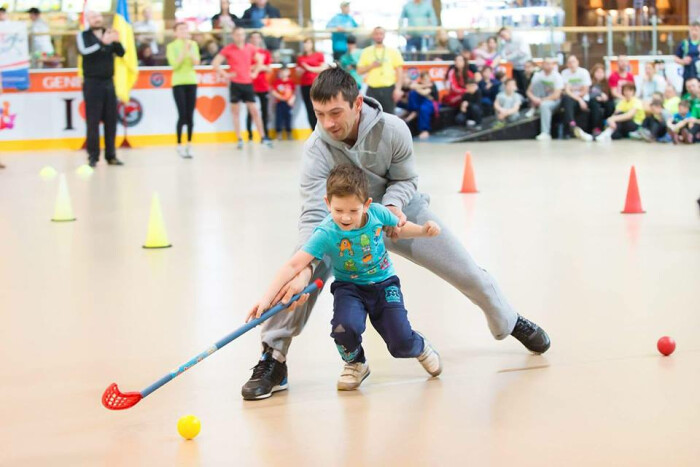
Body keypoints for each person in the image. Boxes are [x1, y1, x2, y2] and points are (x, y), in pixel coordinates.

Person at [240, 67, 550, 401]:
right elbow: (314, 213)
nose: (327, 123)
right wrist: (304, 269)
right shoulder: (316, 149)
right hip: (343, 223)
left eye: (335, 113)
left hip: (397, 213)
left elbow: (406, 179)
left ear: (357, 103)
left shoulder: (393, 129)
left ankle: (509, 318)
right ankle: (273, 357)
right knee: (296, 279)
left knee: (466, 270)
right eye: (319, 114)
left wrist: (392, 207)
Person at [247, 164, 443, 390]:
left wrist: (423, 231)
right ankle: (355, 363)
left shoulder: (378, 213)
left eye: (353, 210)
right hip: (349, 288)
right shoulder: (326, 231)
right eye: (338, 210)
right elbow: (293, 265)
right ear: (327, 203)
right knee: (343, 328)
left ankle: (419, 346)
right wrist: (265, 300)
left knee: (400, 342)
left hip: (384, 283)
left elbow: (398, 227)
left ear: (366, 205)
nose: (346, 218)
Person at [77, 11, 125, 167]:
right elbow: (85, 52)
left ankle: (111, 155)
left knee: (111, 120)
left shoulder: (109, 33)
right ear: (88, 20)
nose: (96, 19)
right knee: (93, 120)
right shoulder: (83, 35)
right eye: (92, 17)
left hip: (108, 83)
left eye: (98, 16)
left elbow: (121, 53)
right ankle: (93, 156)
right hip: (92, 83)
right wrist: (102, 43)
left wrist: (116, 41)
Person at [212, 27, 272, 149]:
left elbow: (260, 60)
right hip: (235, 84)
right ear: (233, 36)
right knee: (236, 112)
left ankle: (262, 137)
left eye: (242, 34)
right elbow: (215, 63)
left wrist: (255, 73)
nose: (240, 37)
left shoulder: (250, 48)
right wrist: (226, 75)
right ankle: (239, 138)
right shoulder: (228, 49)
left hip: (248, 83)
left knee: (254, 110)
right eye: (237, 35)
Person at [167, 22, 200, 159]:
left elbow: (196, 62)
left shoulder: (193, 44)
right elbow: (175, 64)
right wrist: (184, 50)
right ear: (175, 32)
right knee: (182, 114)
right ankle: (179, 143)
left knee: (191, 115)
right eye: (180, 29)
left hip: (191, 81)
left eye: (185, 29)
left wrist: (190, 49)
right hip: (178, 82)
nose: (184, 31)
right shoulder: (172, 46)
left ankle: (189, 144)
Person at [357, 27, 404, 115]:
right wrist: (371, 66)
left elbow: (399, 72)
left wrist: (398, 89)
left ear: (384, 35)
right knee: (371, 116)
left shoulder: (393, 51)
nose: (378, 36)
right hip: (372, 89)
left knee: (390, 117)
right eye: (376, 34)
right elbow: (359, 71)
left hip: (389, 89)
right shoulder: (366, 51)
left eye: (381, 34)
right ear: (373, 36)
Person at [526, 57, 564, 141]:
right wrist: (535, 99)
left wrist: (542, 100)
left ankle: (546, 133)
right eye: (547, 63)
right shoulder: (538, 75)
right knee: (537, 83)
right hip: (539, 98)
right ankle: (533, 108)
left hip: (553, 101)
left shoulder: (557, 76)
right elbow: (529, 91)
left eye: (551, 64)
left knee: (544, 105)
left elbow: (556, 95)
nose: (549, 66)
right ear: (543, 65)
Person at [575, 63, 614, 141]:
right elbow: (588, 93)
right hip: (592, 102)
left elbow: (609, 95)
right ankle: (596, 128)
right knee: (594, 103)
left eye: (601, 72)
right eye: (597, 72)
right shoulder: (590, 82)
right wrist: (599, 95)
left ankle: (608, 125)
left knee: (610, 104)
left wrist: (604, 98)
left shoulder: (606, 83)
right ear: (594, 73)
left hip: (604, 102)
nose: (599, 74)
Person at [246, 31, 272, 142]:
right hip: (250, 85)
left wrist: (259, 67)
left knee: (264, 111)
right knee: (250, 111)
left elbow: (269, 68)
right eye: (253, 37)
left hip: (263, 85)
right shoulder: (247, 52)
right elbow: (246, 67)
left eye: (257, 37)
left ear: (260, 39)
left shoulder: (265, 53)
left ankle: (265, 134)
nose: (255, 39)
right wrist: (259, 66)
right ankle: (249, 135)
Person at [296, 38, 327, 130]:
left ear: (312, 44)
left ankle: (322, 129)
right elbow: (298, 73)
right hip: (305, 85)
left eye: (308, 43)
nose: (306, 45)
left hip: (316, 85)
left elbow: (322, 68)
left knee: (317, 107)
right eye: (304, 43)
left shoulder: (319, 55)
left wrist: (308, 68)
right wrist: (300, 71)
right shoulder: (300, 57)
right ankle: (314, 131)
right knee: (309, 108)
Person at [398, 71, 437, 139]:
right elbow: (412, 86)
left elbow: (424, 92)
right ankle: (413, 110)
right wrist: (421, 86)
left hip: (431, 103)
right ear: (421, 79)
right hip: (419, 102)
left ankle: (424, 130)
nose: (427, 80)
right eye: (424, 79)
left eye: (428, 79)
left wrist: (417, 88)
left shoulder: (432, 85)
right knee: (412, 93)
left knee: (423, 109)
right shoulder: (420, 84)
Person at [560, 55, 591, 138]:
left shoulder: (584, 72)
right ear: (567, 64)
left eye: (573, 62)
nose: (572, 64)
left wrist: (579, 98)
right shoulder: (564, 73)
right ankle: (572, 124)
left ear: (577, 62)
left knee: (568, 101)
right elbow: (566, 91)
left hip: (583, 99)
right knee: (567, 99)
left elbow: (585, 90)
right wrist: (578, 99)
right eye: (569, 62)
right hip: (572, 99)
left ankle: (572, 126)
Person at [498, 27, 532, 96]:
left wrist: (510, 56)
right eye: (501, 36)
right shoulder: (505, 43)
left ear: (508, 31)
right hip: (515, 67)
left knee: (526, 87)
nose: (503, 38)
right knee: (517, 87)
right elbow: (504, 54)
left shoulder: (519, 38)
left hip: (524, 67)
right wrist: (510, 56)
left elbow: (522, 52)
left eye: (503, 35)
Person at [674, 21, 700, 94]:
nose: (694, 32)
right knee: (686, 94)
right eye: (692, 30)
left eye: (696, 30)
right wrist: (683, 61)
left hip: (698, 73)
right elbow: (676, 57)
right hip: (688, 74)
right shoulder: (685, 43)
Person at [271, 66, 295, 140]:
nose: (283, 73)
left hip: (288, 104)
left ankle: (289, 133)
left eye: (285, 71)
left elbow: (293, 93)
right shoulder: (277, 82)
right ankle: (279, 134)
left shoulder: (291, 82)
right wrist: (281, 98)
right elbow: (273, 92)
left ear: (288, 72)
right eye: (281, 71)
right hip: (280, 103)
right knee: (279, 118)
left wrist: (292, 100)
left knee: (288, 118)